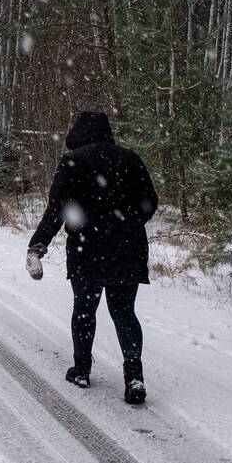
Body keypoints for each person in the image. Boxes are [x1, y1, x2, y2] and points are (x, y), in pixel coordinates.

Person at [25, 110, 157, 404]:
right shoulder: (130, 159)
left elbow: (56, 208)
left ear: (80, 131)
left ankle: (82, 369)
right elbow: (150, 203)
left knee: (85, 308)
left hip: (88, 248)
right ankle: (134, 376)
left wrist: (38, 245)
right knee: (124, 312)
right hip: (127, 249)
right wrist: (125, 224)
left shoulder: (73, 161)